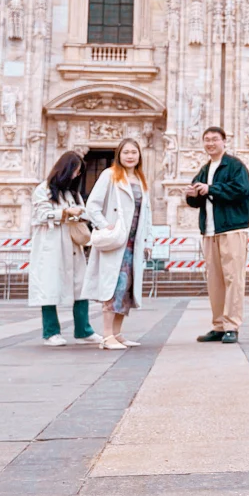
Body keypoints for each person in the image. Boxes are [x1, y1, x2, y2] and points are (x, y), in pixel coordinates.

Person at [85, 138, 153, 351]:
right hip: (117, 241)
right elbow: (92, 206)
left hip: (133, 242)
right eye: (126, 152)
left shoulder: (141, 179)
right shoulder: (110, 175)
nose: (130, 156)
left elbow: (147, 214)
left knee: (126, 288)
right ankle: (106, 336)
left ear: (139, 155)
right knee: (112, 286)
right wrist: (105, 226)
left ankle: (117, 333)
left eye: (134, 152)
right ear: (119, 155)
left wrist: (148, 241)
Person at [186, 126, 249, 343]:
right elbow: (197, 200)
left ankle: (232, 325)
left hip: (232, 228)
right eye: (206, 140)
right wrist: (192, 195)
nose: (210, 143)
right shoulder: (205, 169)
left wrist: (211, 189)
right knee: (214, 280)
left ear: (224, 141)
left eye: (214, 139)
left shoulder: (234, 166)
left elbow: (240, 190)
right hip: (210, 231)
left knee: (233, 278)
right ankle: (218, 325)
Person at [29, 152, 102, 346]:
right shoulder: (43, 190)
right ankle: (51, 332)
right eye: (76, 171)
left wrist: (81, 215)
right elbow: (40, 216)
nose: (77, 175)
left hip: (72, 245)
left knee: (80, 286)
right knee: (50, 286)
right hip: (51, 244)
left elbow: (83, 211)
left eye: (79, 172)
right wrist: (64, 213)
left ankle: (83, 330)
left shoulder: (73, 193)